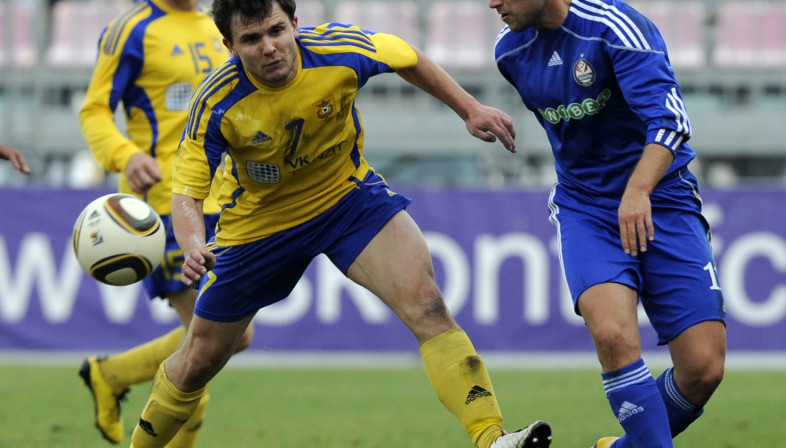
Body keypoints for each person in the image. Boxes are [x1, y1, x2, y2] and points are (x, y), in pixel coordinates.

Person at [128, 0, 553, 447]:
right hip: (258, 227)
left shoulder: (338, 50)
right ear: (229, 45)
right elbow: (187, 193)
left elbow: (407, 57)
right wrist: (194, 244)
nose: (269, 47)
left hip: (348, 200)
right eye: (252, 40)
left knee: (426, 303)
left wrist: (469, 108)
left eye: (276, 31)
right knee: (198, 360)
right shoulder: (216, 101)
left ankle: (491, 438)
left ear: (294, 24)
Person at [488, 0, 727, 447]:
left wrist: (637, 191)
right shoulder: (509, 53)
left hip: (663, 200)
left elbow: (671, 122)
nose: (492, 3)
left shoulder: (615, 28)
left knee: (703, 369)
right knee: (614, 335)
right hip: (586, 209)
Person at [78, 0, 254, 444]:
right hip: (162, 205)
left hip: (224, 201)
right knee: (205, 348)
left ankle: (111, 373)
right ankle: (111, 377)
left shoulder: (221, 22)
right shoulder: (132, 30)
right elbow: (94, 110)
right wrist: (126, 155)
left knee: (233, 336)